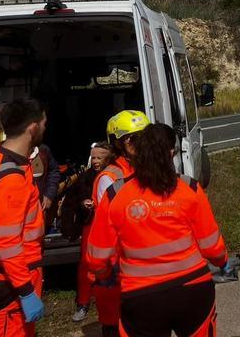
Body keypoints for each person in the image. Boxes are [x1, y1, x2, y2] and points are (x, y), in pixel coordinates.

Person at [87, 124, 228, 337]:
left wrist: (105, 275)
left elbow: (97, 258)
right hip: (193, 290)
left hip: (141, 297)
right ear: (171, 153)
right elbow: (211, 246)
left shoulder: (115, 195)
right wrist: (223, 263)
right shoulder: (189, 188)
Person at [0, 98, 47, 336]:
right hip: (11, 277)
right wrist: (25, 291)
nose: (45, 128)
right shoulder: (12, 179)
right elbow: (7, 245)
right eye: (44, 123)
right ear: (33, 127)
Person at [84, 110, 150, 335]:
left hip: (136, 265)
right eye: (134, 138)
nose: (141, 143)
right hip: (114, 270)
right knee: (115, 325)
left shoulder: (142, 169)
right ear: (118, 143)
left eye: (144, 136)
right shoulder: (110, 177)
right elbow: (110, 227)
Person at [72, 142, 114, 324]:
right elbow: (77, 197)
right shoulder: (87, 176)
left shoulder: (112, 174)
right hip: (91, 224)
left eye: (99, 158)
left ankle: (108, 301)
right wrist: (84, 203)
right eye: (93, 158)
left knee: (110, 263)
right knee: (86, 263)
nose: (95, 161)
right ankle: (83, 303)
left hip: (109, 224)